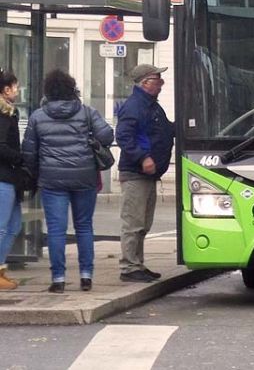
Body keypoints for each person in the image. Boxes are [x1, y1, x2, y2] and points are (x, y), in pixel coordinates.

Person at [22, 69, 113, 293]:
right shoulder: (86, 112)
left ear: (48, 92)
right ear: (73, 89)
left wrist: (32, 178)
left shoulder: (37, 117)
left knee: (56, 230)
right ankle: (86, 276)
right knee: (84, 226)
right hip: (84, 178)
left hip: (52, 180)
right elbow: (107, 136)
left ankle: (59, 279)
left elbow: (29, 153)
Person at [116, 64, 174, 283]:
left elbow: (166, 130)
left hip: (148, 175)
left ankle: (137, 264)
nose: (161, 84)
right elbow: (123, 136)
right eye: (158, 80)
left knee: (143, 223)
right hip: (136, 174)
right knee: (133, 222)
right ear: (145, 83)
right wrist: (143, 158)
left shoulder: (151, 106)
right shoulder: (135, 106)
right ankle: (129, 267)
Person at [0, 70, 27, 290]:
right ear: (6, 89)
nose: (17, 91)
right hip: (3, 177)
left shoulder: (9, 112)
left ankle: (1, 269)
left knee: (14, 225)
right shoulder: (2, 114)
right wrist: (21, 158)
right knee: (2, 227)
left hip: (10, 177)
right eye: (15, 87)